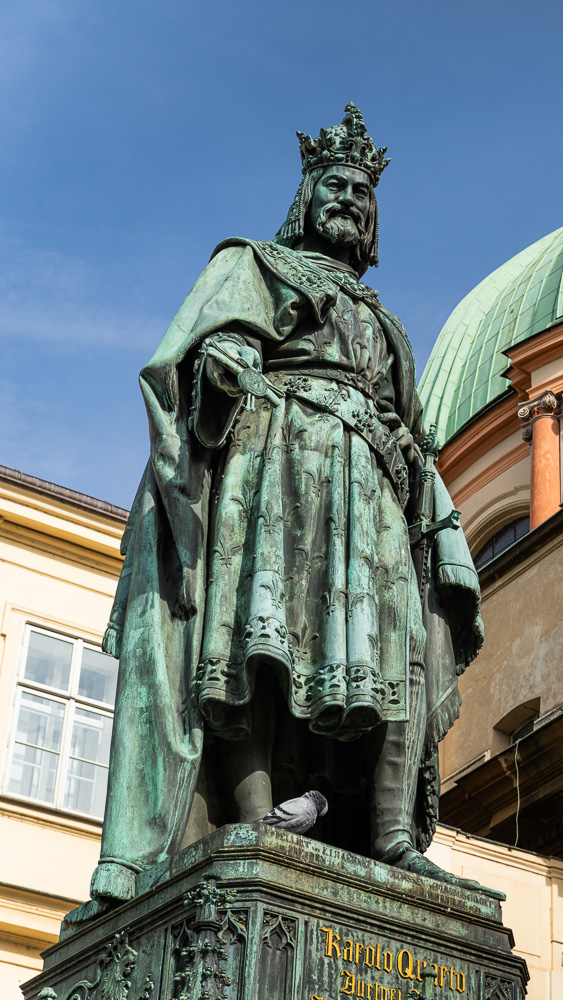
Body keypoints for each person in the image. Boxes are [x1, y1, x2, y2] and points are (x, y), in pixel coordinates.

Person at [79, 105, 486, 920]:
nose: (350, 200)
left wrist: (418, 478)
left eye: (363, 193)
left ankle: (391, 838)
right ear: (306, 195)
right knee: (256, 640)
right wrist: (222, 363)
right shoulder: (255, 265)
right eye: (335, 185)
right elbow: (201, 352)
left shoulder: (389, 325)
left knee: (397, 648)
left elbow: (413, 427)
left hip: (372, 495)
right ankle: (254, 815)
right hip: (275, 467)